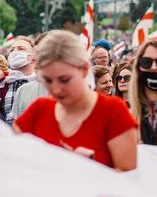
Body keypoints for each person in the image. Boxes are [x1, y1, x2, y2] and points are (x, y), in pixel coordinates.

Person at [13, 30, 137, 170]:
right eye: (47, 80)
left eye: (64, 80)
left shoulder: (114, 112)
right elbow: (15, 164)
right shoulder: (38, 110)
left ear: (84, 70)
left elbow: (129, 178)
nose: (55, 89)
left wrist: (91, 168)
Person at [2, 36, 38, 125]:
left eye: (21, 49)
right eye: (11, 50)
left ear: (33, 56)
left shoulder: (42, 83)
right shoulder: (3, 83)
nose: (15, 52)